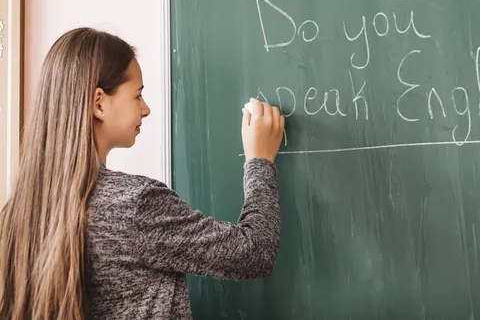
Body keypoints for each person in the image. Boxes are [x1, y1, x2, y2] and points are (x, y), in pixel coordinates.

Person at [0, 27, 284, 319]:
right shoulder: (135, 205)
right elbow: (254, 252)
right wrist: (259, 159)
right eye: (137, 96)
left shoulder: (16, 217)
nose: (146, 109)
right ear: (99, 103)